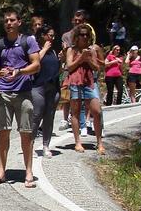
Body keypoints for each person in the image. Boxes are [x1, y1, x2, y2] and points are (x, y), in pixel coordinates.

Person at [0, 9, 41, 187]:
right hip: (3, 93)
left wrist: (20, 72)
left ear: (19, 22)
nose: (8, 23)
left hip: (24, 92)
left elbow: (36, 65)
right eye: (6, 21)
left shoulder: (28, 41)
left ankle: (29, 172)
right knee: (3, 131)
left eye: (12, 20)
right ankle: (1, 172)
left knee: (26, 133)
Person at [65, 26, 105, 154]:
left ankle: (99, 142)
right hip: (75, 81)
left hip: (89, 82)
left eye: (87, 35)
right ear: (77, 37)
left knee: (97, 111)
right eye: (82, 35)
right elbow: (69, 67)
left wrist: (88, 59)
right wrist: (80, 58)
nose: (85, 37)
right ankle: (78, 142)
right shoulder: (71, 50)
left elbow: (97, 67)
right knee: (75, 112)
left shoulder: (91, 50)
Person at [32, 25, 60, 157]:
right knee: (36, 116)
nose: (52, 38)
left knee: (49, 117)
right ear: (43, 36)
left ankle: (46, 146)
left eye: (53, 36)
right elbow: (34, 64)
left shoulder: (53, 52)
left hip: (53, 87)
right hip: (38, 87)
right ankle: (29, 144)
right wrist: (44, 49)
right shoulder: (35, 49)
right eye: (50, 35)